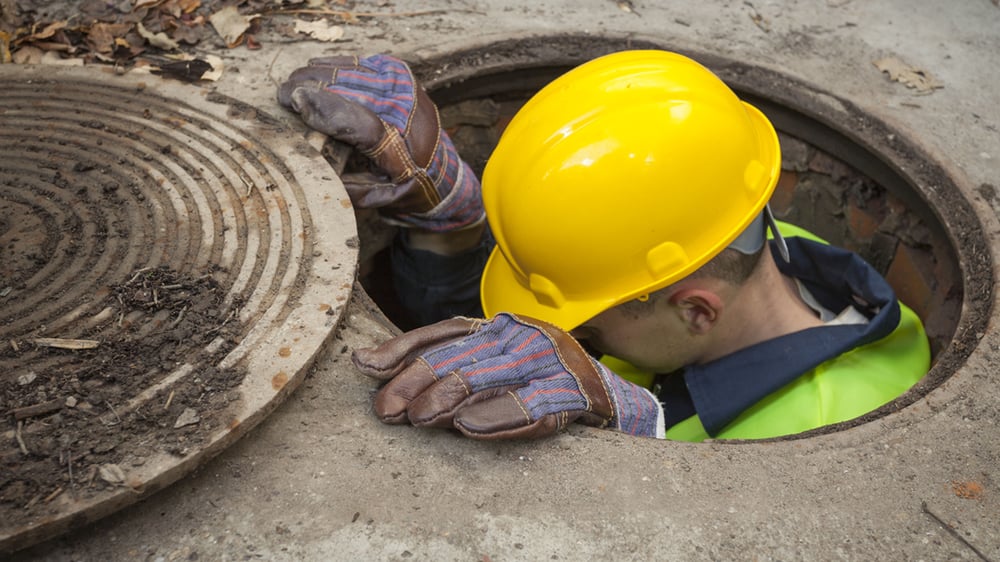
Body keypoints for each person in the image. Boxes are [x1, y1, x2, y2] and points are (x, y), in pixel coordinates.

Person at [278, 50, 930, 442]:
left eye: (590, 320)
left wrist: (637, 437)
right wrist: (453, 232)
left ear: (696, 309)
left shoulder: (814, 434)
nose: (580, 334)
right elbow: (498, 352)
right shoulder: (731, 242)